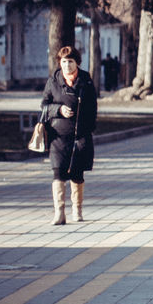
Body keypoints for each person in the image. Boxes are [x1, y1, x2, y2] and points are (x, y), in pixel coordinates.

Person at [41, 46, 97, 226]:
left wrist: (87, 128)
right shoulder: (53, 81)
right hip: (58, 136)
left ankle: (77, 209)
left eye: (70, 62)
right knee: (58, 173)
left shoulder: (86, 81)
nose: (67, 65)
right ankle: (59, 212)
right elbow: (43, 106)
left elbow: (93, 108)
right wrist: (58, 110)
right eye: (64, 62)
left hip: (79, 136)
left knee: (77, 174)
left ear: (77, 63)